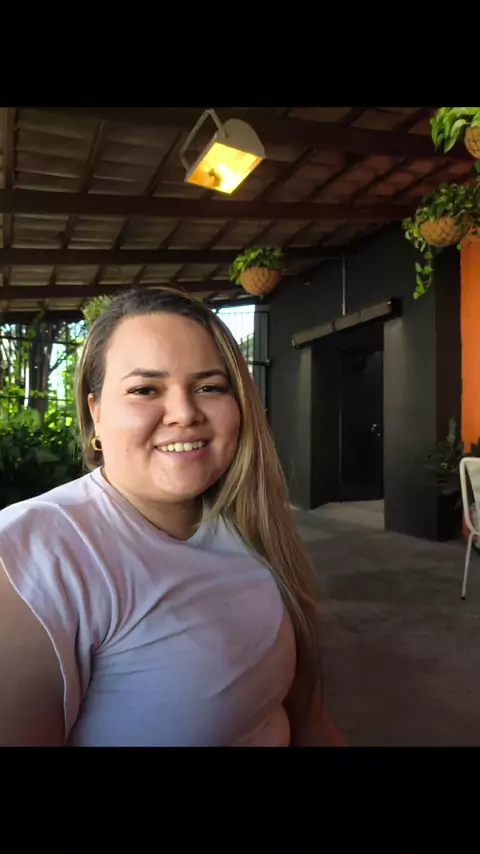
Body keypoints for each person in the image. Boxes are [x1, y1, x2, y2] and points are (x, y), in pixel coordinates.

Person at [0, 286, 343, 747]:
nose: (184, 414)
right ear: (95, 413)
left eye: (209, 387)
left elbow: (304, 714)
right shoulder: (32, 556)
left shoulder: (248, 521)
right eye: (145, 389)